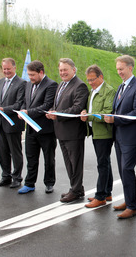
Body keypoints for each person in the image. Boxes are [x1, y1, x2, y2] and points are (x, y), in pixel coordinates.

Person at [104, 55, 136, 219]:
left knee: (127, 169)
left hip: (131, 137)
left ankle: (132, 206)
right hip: (119, 136)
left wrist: (116, 119)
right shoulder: (121, 86)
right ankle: (128, 200)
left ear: (130, 68)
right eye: (117, 69)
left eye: (121, 69)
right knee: (123, 171)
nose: (119, 72)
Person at [46, 58, 89, 203]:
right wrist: (52, 111)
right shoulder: (62, 85)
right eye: (61, 70)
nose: (63, 73)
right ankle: (76, 188)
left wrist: (57, 114)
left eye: (65, 70)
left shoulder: (80, 86)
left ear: (73, 70)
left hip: (73, 132)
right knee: (68, 162)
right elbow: (56, 104)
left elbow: (77, 107)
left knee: (75, 162)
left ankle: (76, 191)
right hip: (61, 130)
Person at [18, 60, 57, 194]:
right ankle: (29, 183)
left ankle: (49, 183)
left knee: (48, 158)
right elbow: (25, 102)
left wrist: (28, 112)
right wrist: (22, 111)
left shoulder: (51, 85)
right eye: (29, 75)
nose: (30, 77)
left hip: (46, 129)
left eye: (33, 75)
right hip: (30, 129)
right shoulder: (28, 85)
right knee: (31, 158)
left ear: (41, 72)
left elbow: (46, 105)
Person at [81, 65, 115, 208]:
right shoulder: (93, 90)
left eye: (93, 79)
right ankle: (107, 192)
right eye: (88, 80)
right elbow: (90, 108)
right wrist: (84, 111)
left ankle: (100, 196)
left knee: (102, 163)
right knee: (105, 161)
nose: (90, 82)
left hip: (104, 132)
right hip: (95, 131)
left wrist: (89, 117)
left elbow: (107, 112)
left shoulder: (109, 91)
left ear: (101, 77)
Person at [0, 58, 26, 188]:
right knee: (2, 152)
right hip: (0, 123)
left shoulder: (22, 83)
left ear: (14, 68)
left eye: (8, 69)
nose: (6, 71)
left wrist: (3, 109)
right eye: (4, 69)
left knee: (15, 152)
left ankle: (17, 177)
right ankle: (5, 176)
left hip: (13, 123)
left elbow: (19, 103)